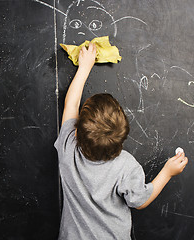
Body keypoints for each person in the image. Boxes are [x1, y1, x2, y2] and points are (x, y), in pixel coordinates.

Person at [54, 43, 188, 239]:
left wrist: (84, 68)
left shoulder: (68, 148)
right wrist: (167, 173)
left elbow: (71, 104)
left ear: (76, 132)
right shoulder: (125, 165)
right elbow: (140, 201)